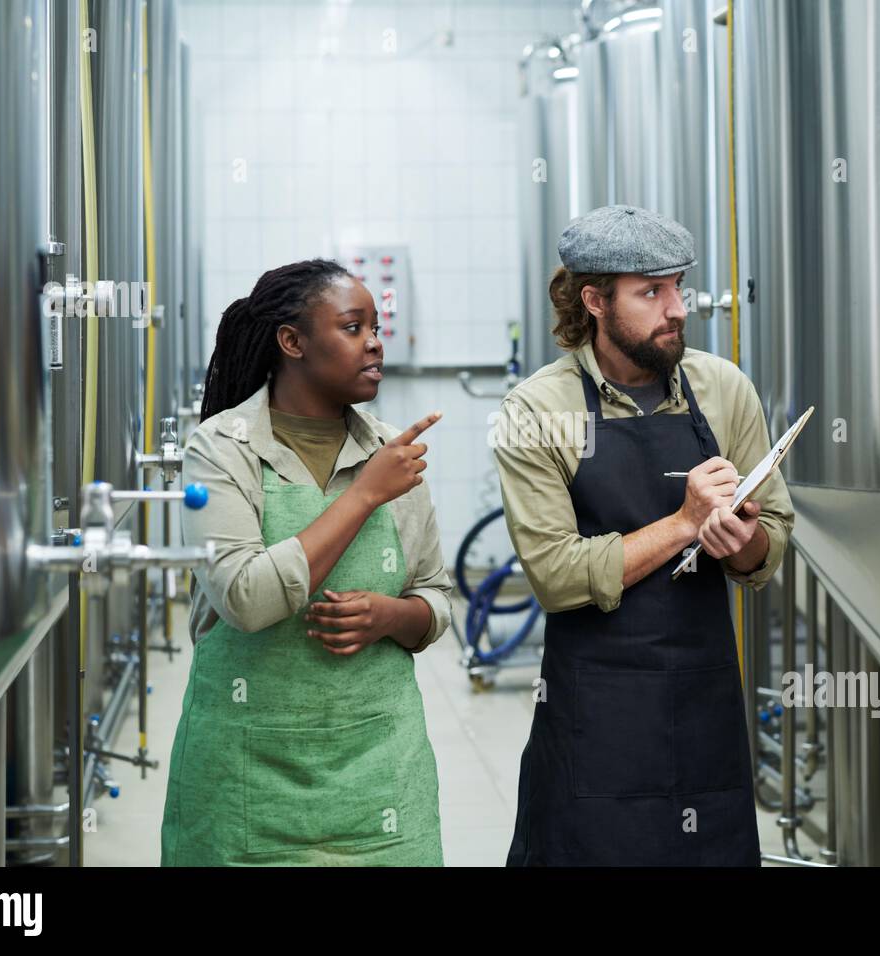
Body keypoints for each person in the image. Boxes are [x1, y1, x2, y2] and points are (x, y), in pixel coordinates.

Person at [494, 205, 796, 865]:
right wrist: (684, 523)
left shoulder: (723, 390)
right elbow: (557, 577)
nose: (677, 308)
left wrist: (738, 538)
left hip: (704, 702)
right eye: (651, 292)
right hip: (594, 713)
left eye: (679, 286)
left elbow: (770, 544)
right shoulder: (537, 411)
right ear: (595, 301)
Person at [160, 258, 450, 866]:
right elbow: (245, 598)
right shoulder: (221, 448)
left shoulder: (390, 450)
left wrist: (392, 617)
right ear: (292, 342)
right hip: (246, 779)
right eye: (352, 327)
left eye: (375, 326)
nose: (374, 342)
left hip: (379, 772)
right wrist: (366, 493)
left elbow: (435, 596)